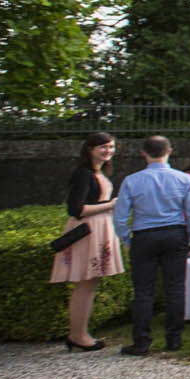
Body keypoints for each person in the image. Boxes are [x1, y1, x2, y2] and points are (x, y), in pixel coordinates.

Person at [112, 135, 190, 355]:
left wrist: (126, 239)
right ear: (169, 151)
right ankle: (174, 339)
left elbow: (120, 216)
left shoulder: (132, 181)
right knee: (175, 288)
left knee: (143, 290)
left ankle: (141, 341)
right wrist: (189, 237)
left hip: (144, 234)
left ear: (144, 153)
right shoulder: (184, 180)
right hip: (174, 233)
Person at [52, 131, 122, 351]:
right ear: (90, 149)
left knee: (89, 283)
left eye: (111, 147)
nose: (108, 151)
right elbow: (76, 209)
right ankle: (78, 334)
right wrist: (110, 205)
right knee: (85, 283)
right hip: (88, 230)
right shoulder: (84, 174)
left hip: (98, 228)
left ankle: (80, 333)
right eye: (103, 147)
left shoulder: (98, 171)